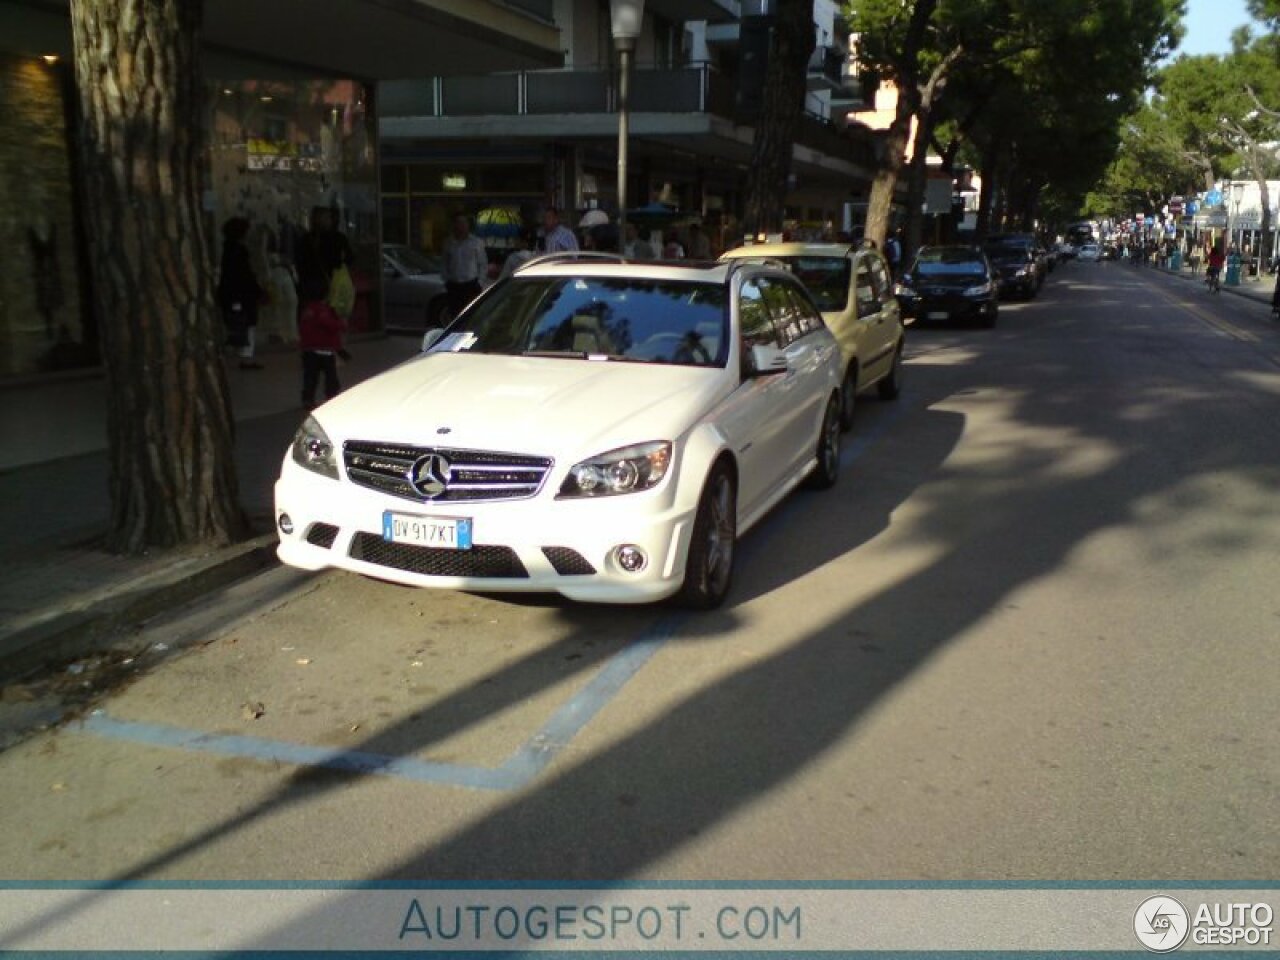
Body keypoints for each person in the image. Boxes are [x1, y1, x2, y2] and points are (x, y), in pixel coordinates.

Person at [217, 216, 265, 370]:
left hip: (233, 294)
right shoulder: (239, 251)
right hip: (242, 294)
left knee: (238, 323)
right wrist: (257, 290)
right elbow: (245, 274)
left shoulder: (228, 249)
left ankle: (241, 354)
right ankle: (246, 357)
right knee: (248, 324)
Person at [298, 275, 346, 411]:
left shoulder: (306, 310)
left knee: (310, 377)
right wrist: (341, 324)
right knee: (330, 376)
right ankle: (332, 396)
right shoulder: (323, 310)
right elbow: (329, 325)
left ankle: (308, 398)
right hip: (325, 350)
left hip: (309, 349)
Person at [441, 213, 488, 317]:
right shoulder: (448, 243)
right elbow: (444, 263)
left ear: (467, 225)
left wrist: (480, 283)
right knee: (455, 315)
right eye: (458, 223)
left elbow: (483, 263)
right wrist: (446, 280)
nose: (460, 226)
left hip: (471, 285)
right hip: (454, 285)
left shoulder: (476, 242)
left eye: (463, 223)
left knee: (471, 315)